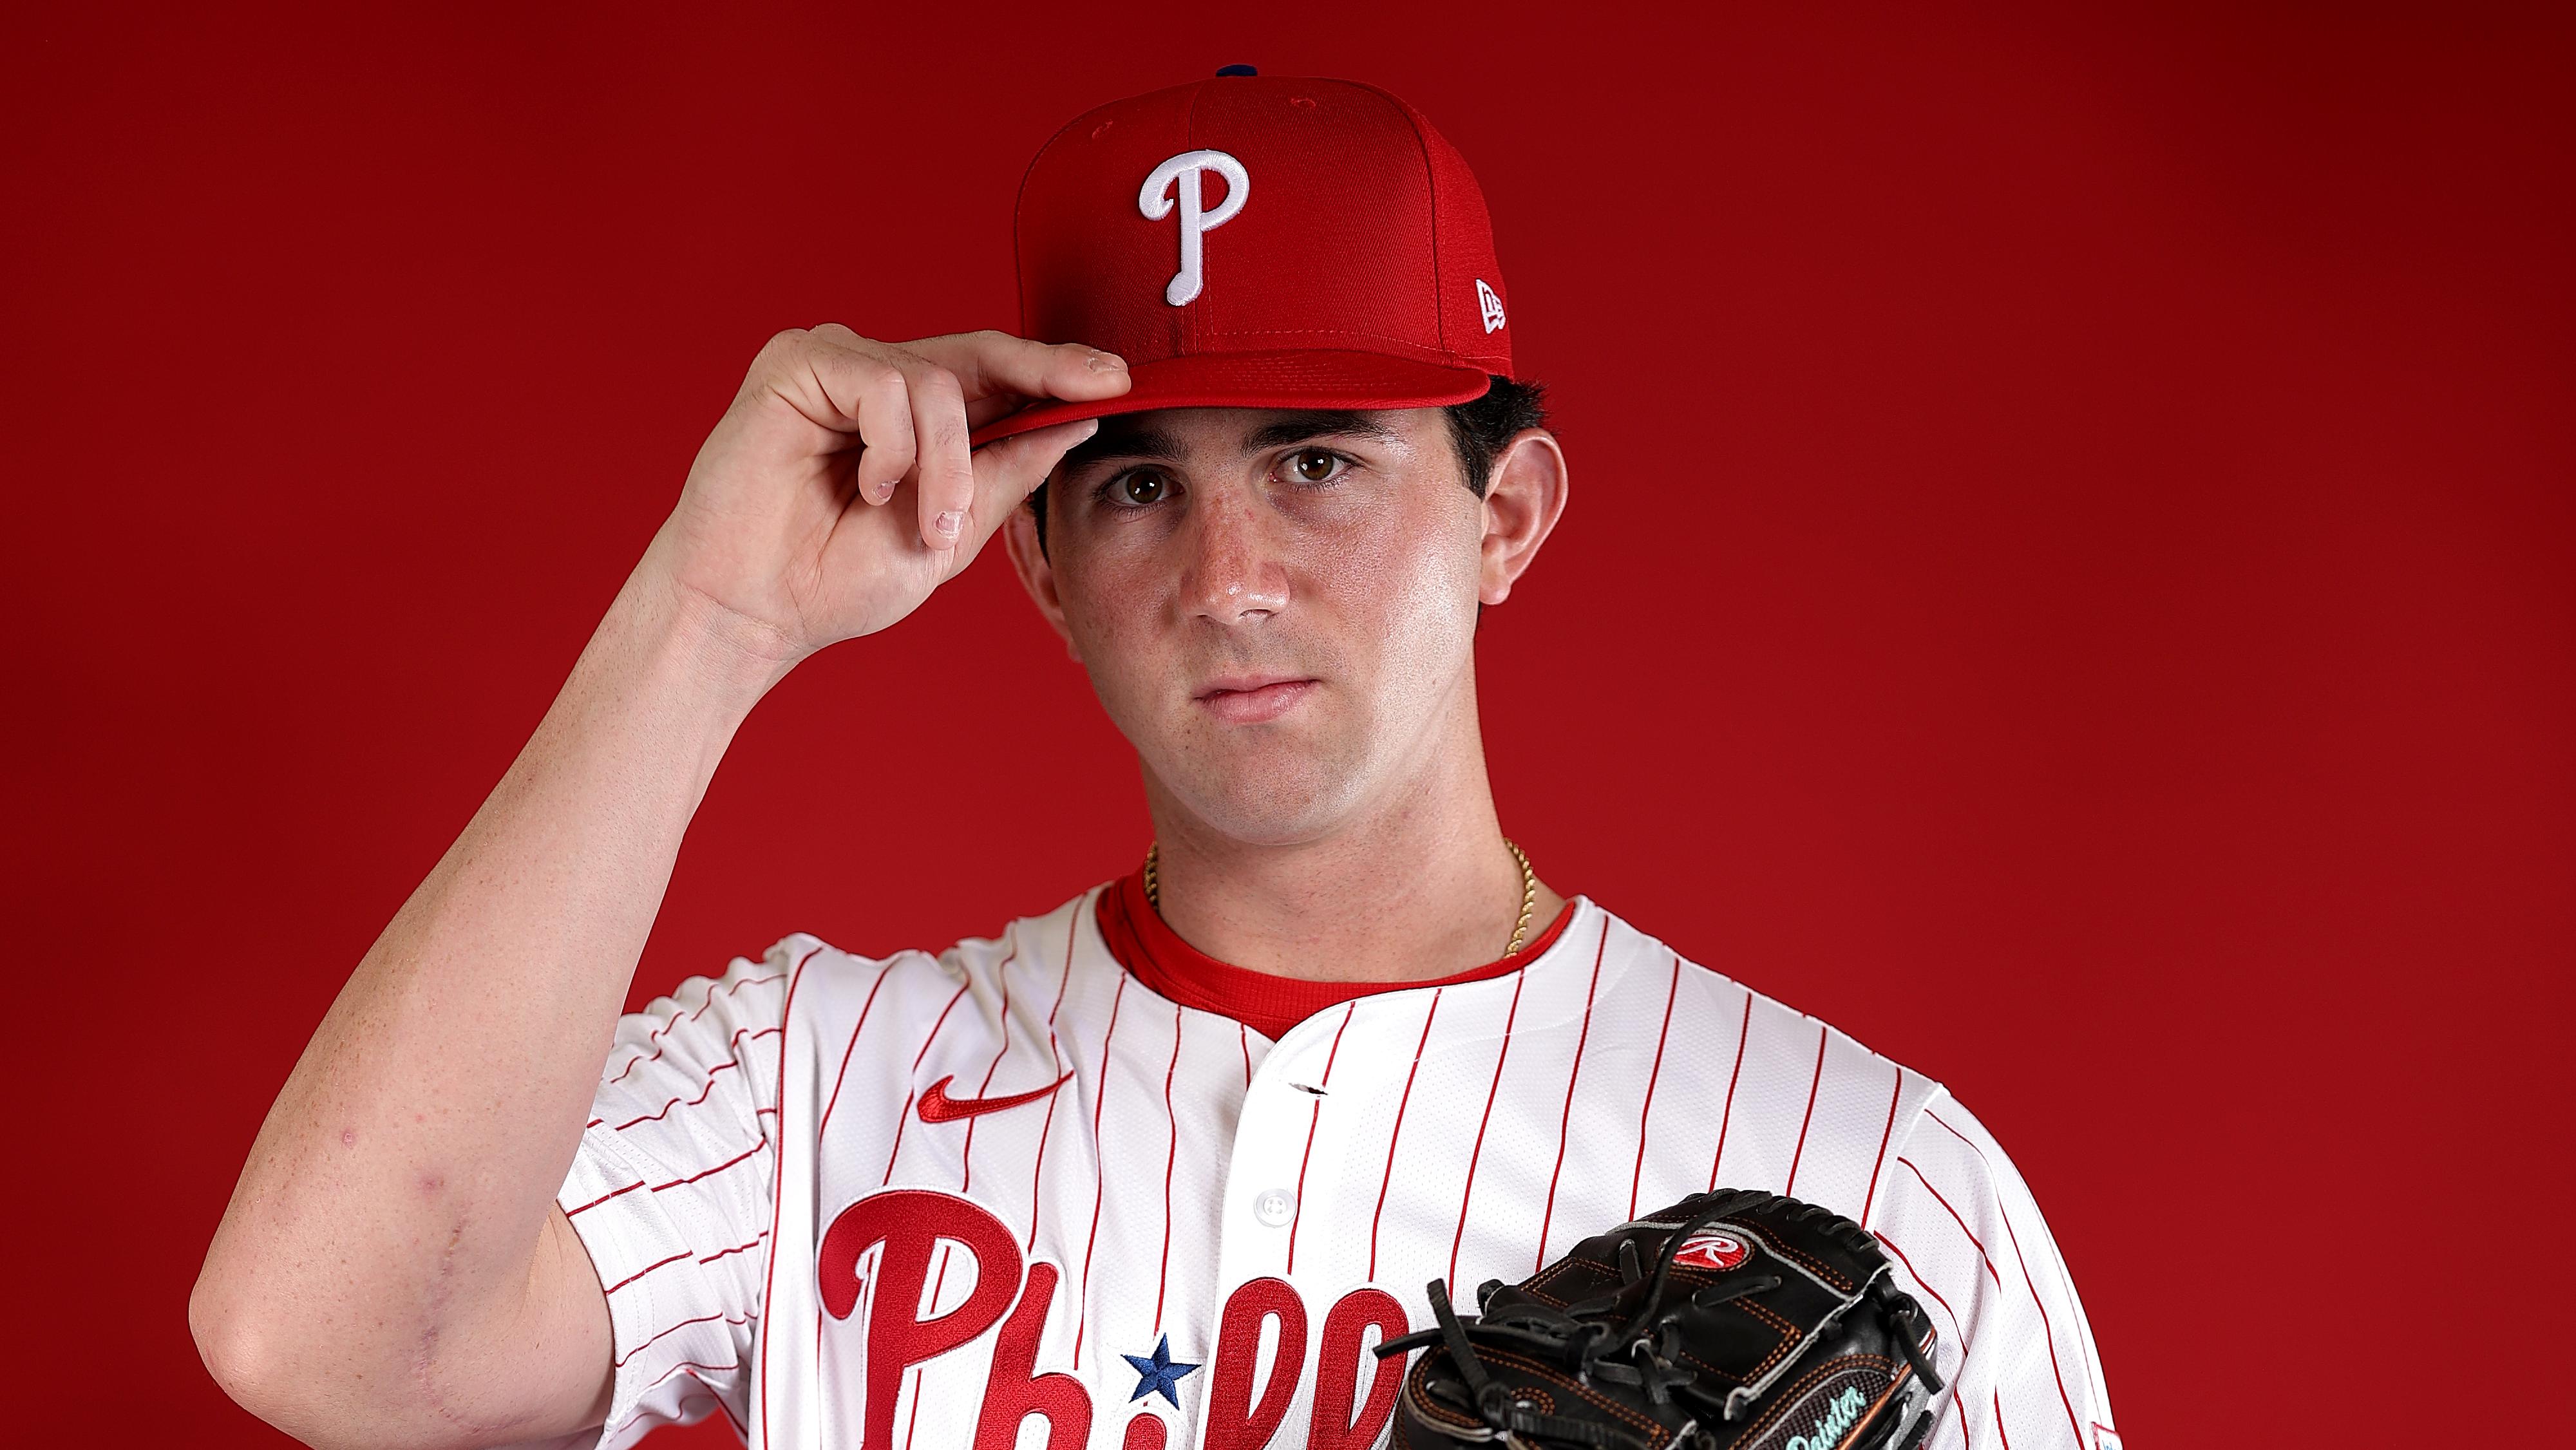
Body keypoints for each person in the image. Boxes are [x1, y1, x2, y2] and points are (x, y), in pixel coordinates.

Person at [191, 71, 2116, 1450]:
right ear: (1034, 555)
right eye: (1134, 485)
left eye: (1319, 458)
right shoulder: (813, 1083)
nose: (1229, 578)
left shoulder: (1873, 1175)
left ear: (1506, 513)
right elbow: (322, 1341)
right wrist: (709, 622)